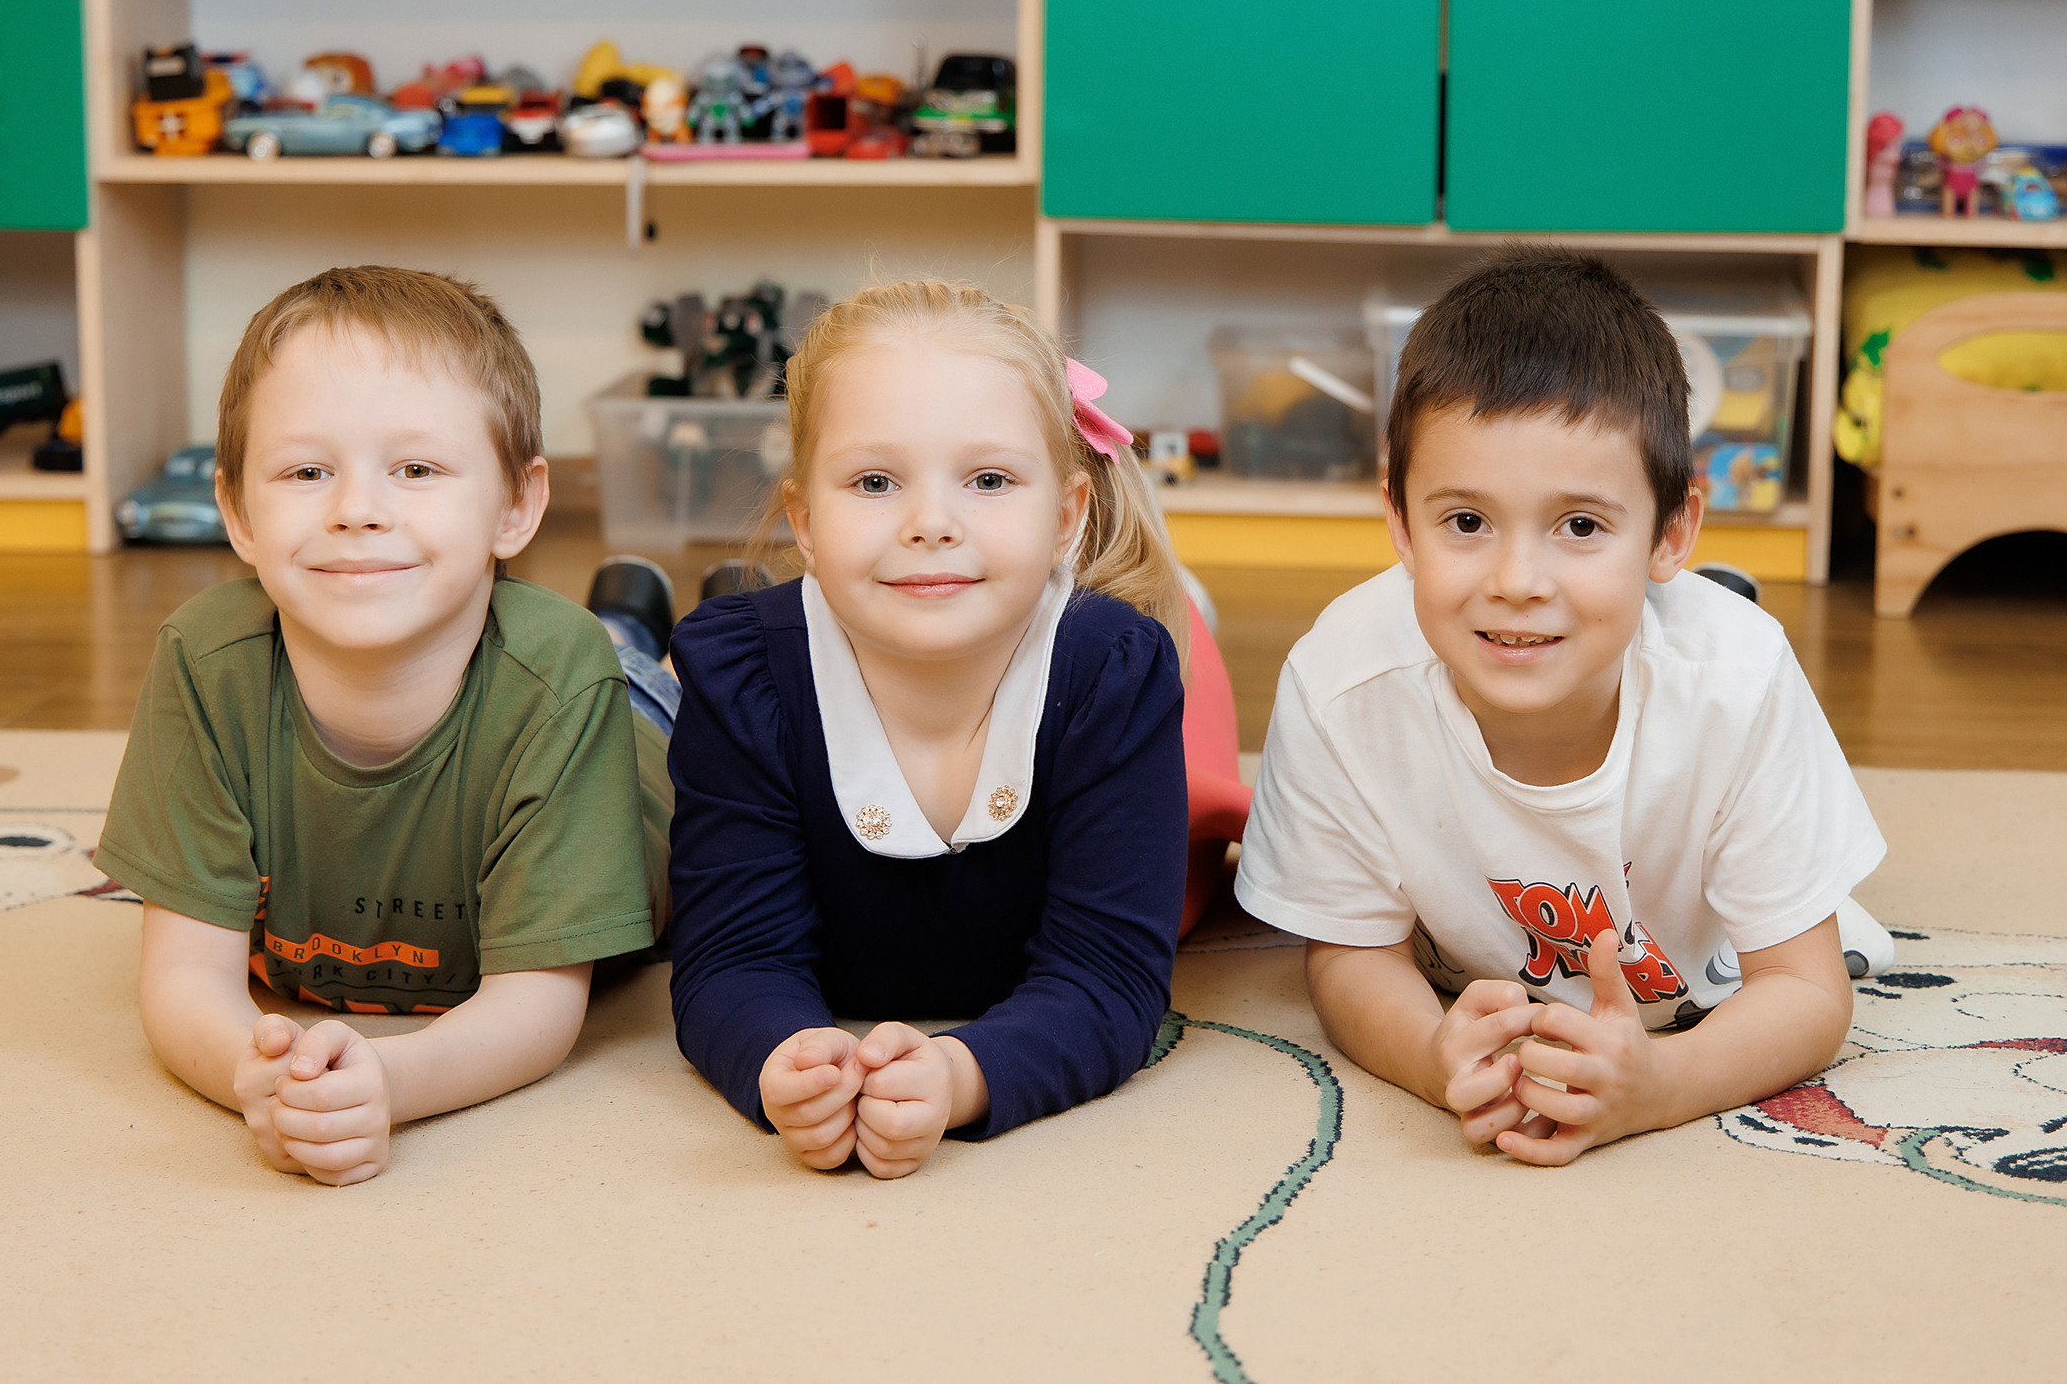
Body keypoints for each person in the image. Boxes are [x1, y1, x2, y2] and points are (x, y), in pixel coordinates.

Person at [1236, 247, 1895, 1167]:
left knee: (1717, 662)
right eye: (1466, 522)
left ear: (1672, 532)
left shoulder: (1738, 685)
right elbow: (1350, 954)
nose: (1516, 583)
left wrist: (1661, 1086)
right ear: (1398, 520)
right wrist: (1435, 1059)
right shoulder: (1341, 688)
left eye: (1580, 525)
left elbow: (1807, 989)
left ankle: (1704, 596)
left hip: (1696, 923)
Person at [96, 266, 667, 1186]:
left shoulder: (561, 680)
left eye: (416, 469)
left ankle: (658, 630)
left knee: (657, 670)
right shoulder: (206, 665)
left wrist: (387, 1081)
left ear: (516, 505)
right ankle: (632, 611)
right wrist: (263, 1077)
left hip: (636, 726)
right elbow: (182, 982)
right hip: (533, 651)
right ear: (237, 509)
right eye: (307, 470)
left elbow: (537, 1007)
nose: (357, 510)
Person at [664, 279, 1192, 1178]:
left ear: (1066, 516)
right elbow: (730, 956)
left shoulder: (1116, 674)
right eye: (875, 482)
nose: (931, 524)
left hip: (1105, 654)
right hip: (711, 675)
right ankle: (631, 635)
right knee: (629, 700)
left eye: (988, 480)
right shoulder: (741, 678)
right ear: (805, 521)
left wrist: (963, 1073)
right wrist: (782, 1058)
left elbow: (1109, 975)